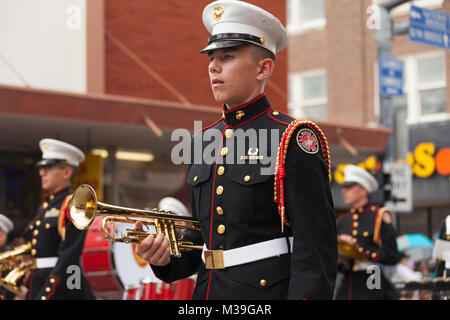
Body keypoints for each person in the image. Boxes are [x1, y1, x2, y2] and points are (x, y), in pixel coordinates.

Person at [136, 0, 337, 300]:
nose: (213, 66)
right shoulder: (202, 141)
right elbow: (202, 241)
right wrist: (164, 258)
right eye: (211, 58)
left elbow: (316, 250)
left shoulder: (292, 138)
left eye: (228, 56)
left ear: (263, 68)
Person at [21, 138, 96, 300]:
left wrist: (47, 293)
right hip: (39, 283)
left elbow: (69, 257)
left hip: (61, 288)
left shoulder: (73, 205)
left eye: (48, 168)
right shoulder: (45, 207)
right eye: (41, 168)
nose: (42, 173)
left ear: (66, 172)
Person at [335, 164, 401, 300]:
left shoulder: (379, 216)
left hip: (373, 275)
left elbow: (392, 256)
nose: (343, 191)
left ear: (364, 190)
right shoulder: (343, 221)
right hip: (349, 280)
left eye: (349, 187)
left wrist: (356, 246)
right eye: (344, 187)